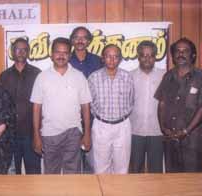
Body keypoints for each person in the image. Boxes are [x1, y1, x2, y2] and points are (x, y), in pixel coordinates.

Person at [31, 37, 92, 174]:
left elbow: (86, 106)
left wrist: (87, 133)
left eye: (65, 53)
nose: (61, 56)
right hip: (49, 133)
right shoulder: (42, 77)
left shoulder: (79, 76)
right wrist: (36, 135)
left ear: (70, 55)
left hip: (73, 132)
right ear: (51, 55)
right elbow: (36, 108)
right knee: (51, 174)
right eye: (57, 52)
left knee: (73, 174)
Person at [155, 38, 202, 172]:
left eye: (185, 51)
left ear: (193, 55)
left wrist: (186, 131)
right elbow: (162, 103)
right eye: (177, 51)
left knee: (192, 180)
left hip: (192, 140)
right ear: (173, 55)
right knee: (172, 179)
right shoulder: (168, 76)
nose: (180, 54)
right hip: (170, 138)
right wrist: (163, 127)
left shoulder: (201, 77)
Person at [88, 44, 134, 174]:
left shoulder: (127, 77)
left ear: (120, 59)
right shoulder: (93, 78)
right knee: (101, 168)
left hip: (123, 126)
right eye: (108, 56)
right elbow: (89, 102)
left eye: (115, 57)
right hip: (101, 125)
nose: (112, 60)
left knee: (122, 168)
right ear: (102, 58)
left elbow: (131, 101)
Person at [0, 38, 41, 174]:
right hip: (10, 134)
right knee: (11, 175)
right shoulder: (4, 76)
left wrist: (39, 132)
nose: (21, 52)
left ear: (28, 52)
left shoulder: (37, 74)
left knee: (34, 173)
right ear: (12, 52)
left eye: (24, 49)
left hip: (32, 133)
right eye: (18, 49)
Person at [69, 26, 103, 173]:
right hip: (71, 117)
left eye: (83, 37)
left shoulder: (97, 61)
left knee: (93, 161)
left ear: (89, 41)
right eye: (77, 37)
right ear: (72, 40)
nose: (80, 40)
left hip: (94, 117)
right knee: (73, 161)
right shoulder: (65, 61)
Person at [129, 41, 165, 173]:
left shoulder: (164, 75)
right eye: (143, 55)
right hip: (135, 130)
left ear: (155, 57)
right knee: (135, 170)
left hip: (157, 131)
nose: (147, 58)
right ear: (138, 57)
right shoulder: (129, 76)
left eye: (150, 55)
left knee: (156, 171)